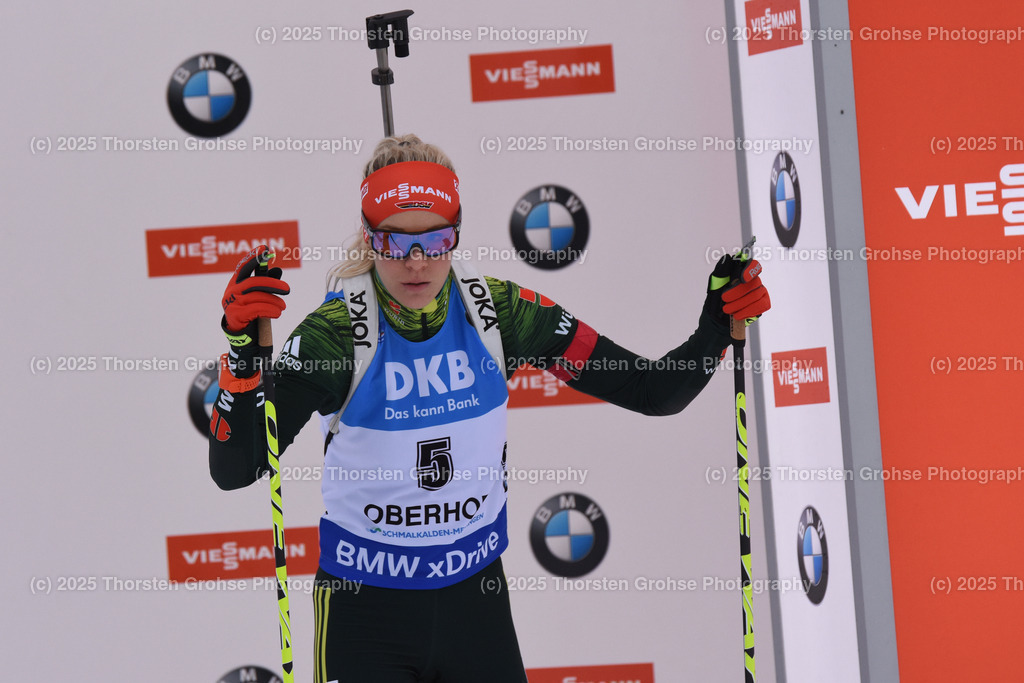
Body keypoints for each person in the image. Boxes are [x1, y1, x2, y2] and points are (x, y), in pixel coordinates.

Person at [209, 134, 770, 683]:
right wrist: (241, 357)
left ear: (457, 233)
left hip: (475, 602)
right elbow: (237, 469)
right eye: (395, 243)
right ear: (369, 238)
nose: (416, 262)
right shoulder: (334, 336)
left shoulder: (500, 313)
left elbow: (652, 392)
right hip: (365, 610)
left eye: (436, 240)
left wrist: (715, 326)